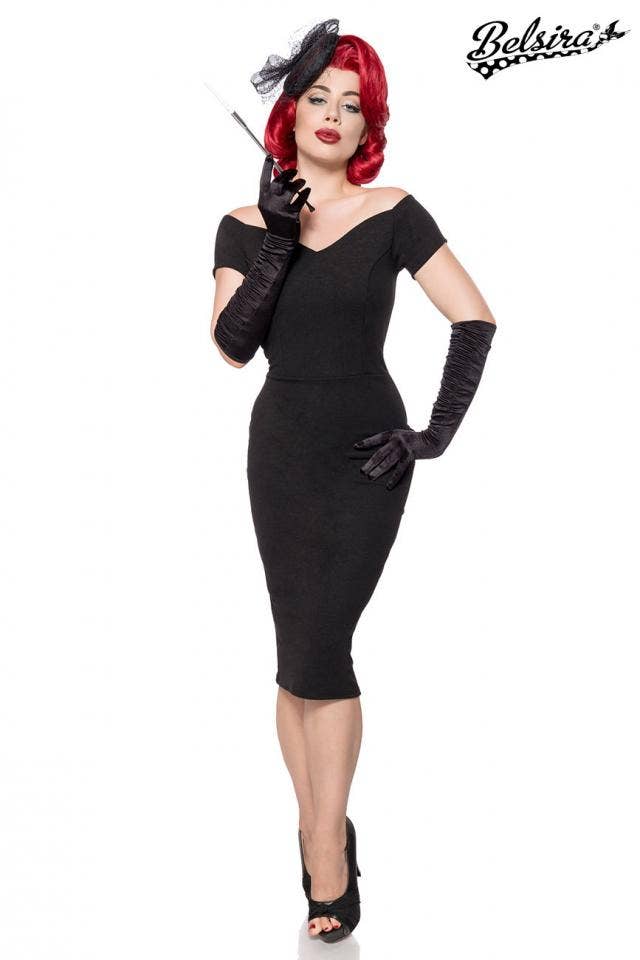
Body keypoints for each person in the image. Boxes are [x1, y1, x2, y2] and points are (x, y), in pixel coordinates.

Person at [210, 20, 497, 942]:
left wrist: (433, 435)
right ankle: (319, 832)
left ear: (368, 123)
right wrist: (280, 238)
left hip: (366, 457)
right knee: (297, 654)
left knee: (323, 650)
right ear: (291, 114)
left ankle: (326, 852)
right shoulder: (244, 224)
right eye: (319, 97)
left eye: (353, 103)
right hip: (281, 454)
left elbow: (475, 318)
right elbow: (232, 346)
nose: (334, 115)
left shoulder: (394, 210)